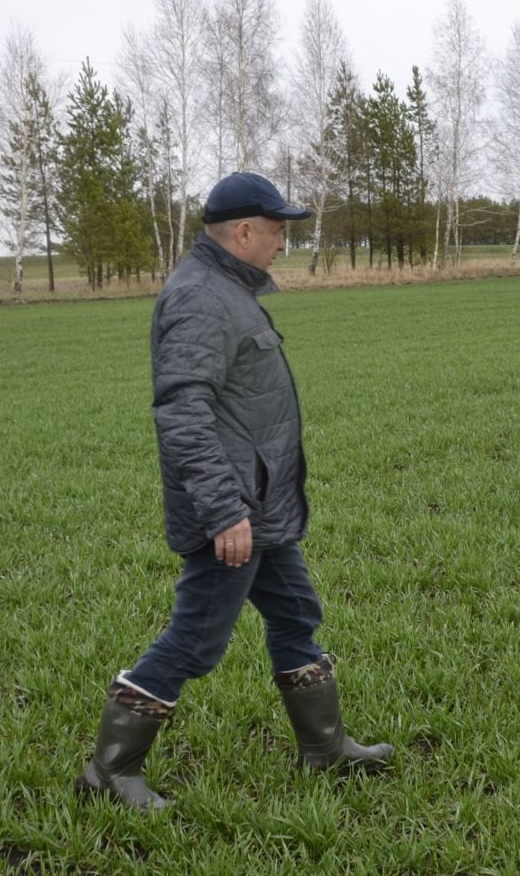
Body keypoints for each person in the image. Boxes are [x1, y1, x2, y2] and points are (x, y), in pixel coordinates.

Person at [75, 171, 394, 812]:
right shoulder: (200, 298)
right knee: (196, 639)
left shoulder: (229, 291)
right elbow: (182, 411)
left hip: (262, 507)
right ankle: (111, 770)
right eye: (277, 230)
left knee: (296, 613)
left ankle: (324, 748)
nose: (283, 242)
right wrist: (223, 509)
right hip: (234, 513)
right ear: (244, 230)